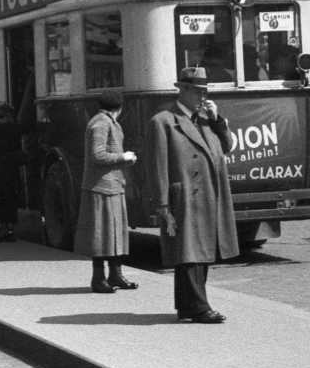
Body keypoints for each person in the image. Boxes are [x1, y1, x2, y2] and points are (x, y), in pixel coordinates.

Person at [145, 66, 236, 323]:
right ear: (181, 89)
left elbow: (226, 147)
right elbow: (157, 164)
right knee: (189, 252)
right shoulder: (163, 121)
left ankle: (189, 306)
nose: (201, 97)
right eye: (196, 91)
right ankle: (198, 306)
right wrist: (162, 202)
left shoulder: (207, 120)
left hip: (208, 195)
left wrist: (218, 120)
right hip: (183, 196)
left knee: (201, 251)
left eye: (204, 91)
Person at [75, 91, 138, 293]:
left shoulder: (105, 121)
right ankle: (98, 278)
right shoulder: (101, 123)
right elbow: (98, 155)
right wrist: (123, 157)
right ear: (119, 108)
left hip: (112, 186)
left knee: (114, 234)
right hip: (101, 187)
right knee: (101, 235)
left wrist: (124, 159)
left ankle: (115, 275)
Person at [0, 104, 24, 242]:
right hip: (11, 169)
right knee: (10, 199)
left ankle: (1, 228)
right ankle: (8, 229)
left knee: (0, 199)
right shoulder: (13, 129)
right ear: (8, 116)